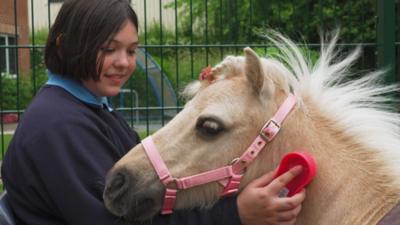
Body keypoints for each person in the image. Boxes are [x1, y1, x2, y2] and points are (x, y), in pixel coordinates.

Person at [1, 0, 306, 224]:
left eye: (131, 50)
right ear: (65, 47)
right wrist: (235, 214)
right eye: (109, 49)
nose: (124, 62)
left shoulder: (87, 107)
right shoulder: (59, 126)